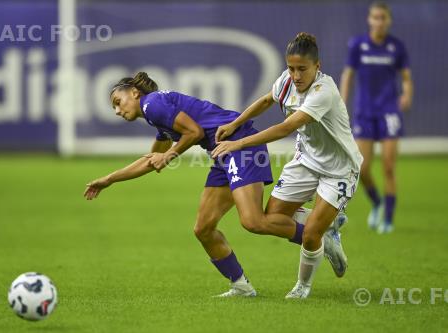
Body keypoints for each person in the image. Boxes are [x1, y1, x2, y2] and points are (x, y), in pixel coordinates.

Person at [84, 71, 347, 298]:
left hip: (239, 142)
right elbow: (150, 161)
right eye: (114, 108)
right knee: (203, 228)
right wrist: (110, 179)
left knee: (254, 221)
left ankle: (317, 234)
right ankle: (241, 286)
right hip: (222, 153)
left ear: (134, 92)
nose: (118, 111)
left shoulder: (153, 104)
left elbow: (194, 133)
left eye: (118, 102)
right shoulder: (156, 116)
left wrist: (169, 154)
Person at [212, 32, 363, 299]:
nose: (296, 75)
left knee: (310, 235)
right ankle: (328, 224)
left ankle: (302, 286)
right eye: (291, 68)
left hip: (339, 169)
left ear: (318, 66)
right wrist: (236, 122)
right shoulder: (287, 80)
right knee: (271, 217)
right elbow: (266, 100)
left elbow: (286, 127)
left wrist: (239, 143)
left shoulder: (323, 91)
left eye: (302, 69)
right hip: (306, 160)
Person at [339, 1, 413, 234]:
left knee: (389, 167)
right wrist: (342, 102)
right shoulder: (358, 45)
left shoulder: (396, 47)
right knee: (362, 168)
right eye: (376, 17)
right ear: (369, 20)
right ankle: (377, 202)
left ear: (388, 21)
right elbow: (348, 75)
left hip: (389, 112)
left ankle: (388, 220)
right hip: (364, 112)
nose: (379, 21)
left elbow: (406, 77)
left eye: (383, 18)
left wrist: (407, 95)